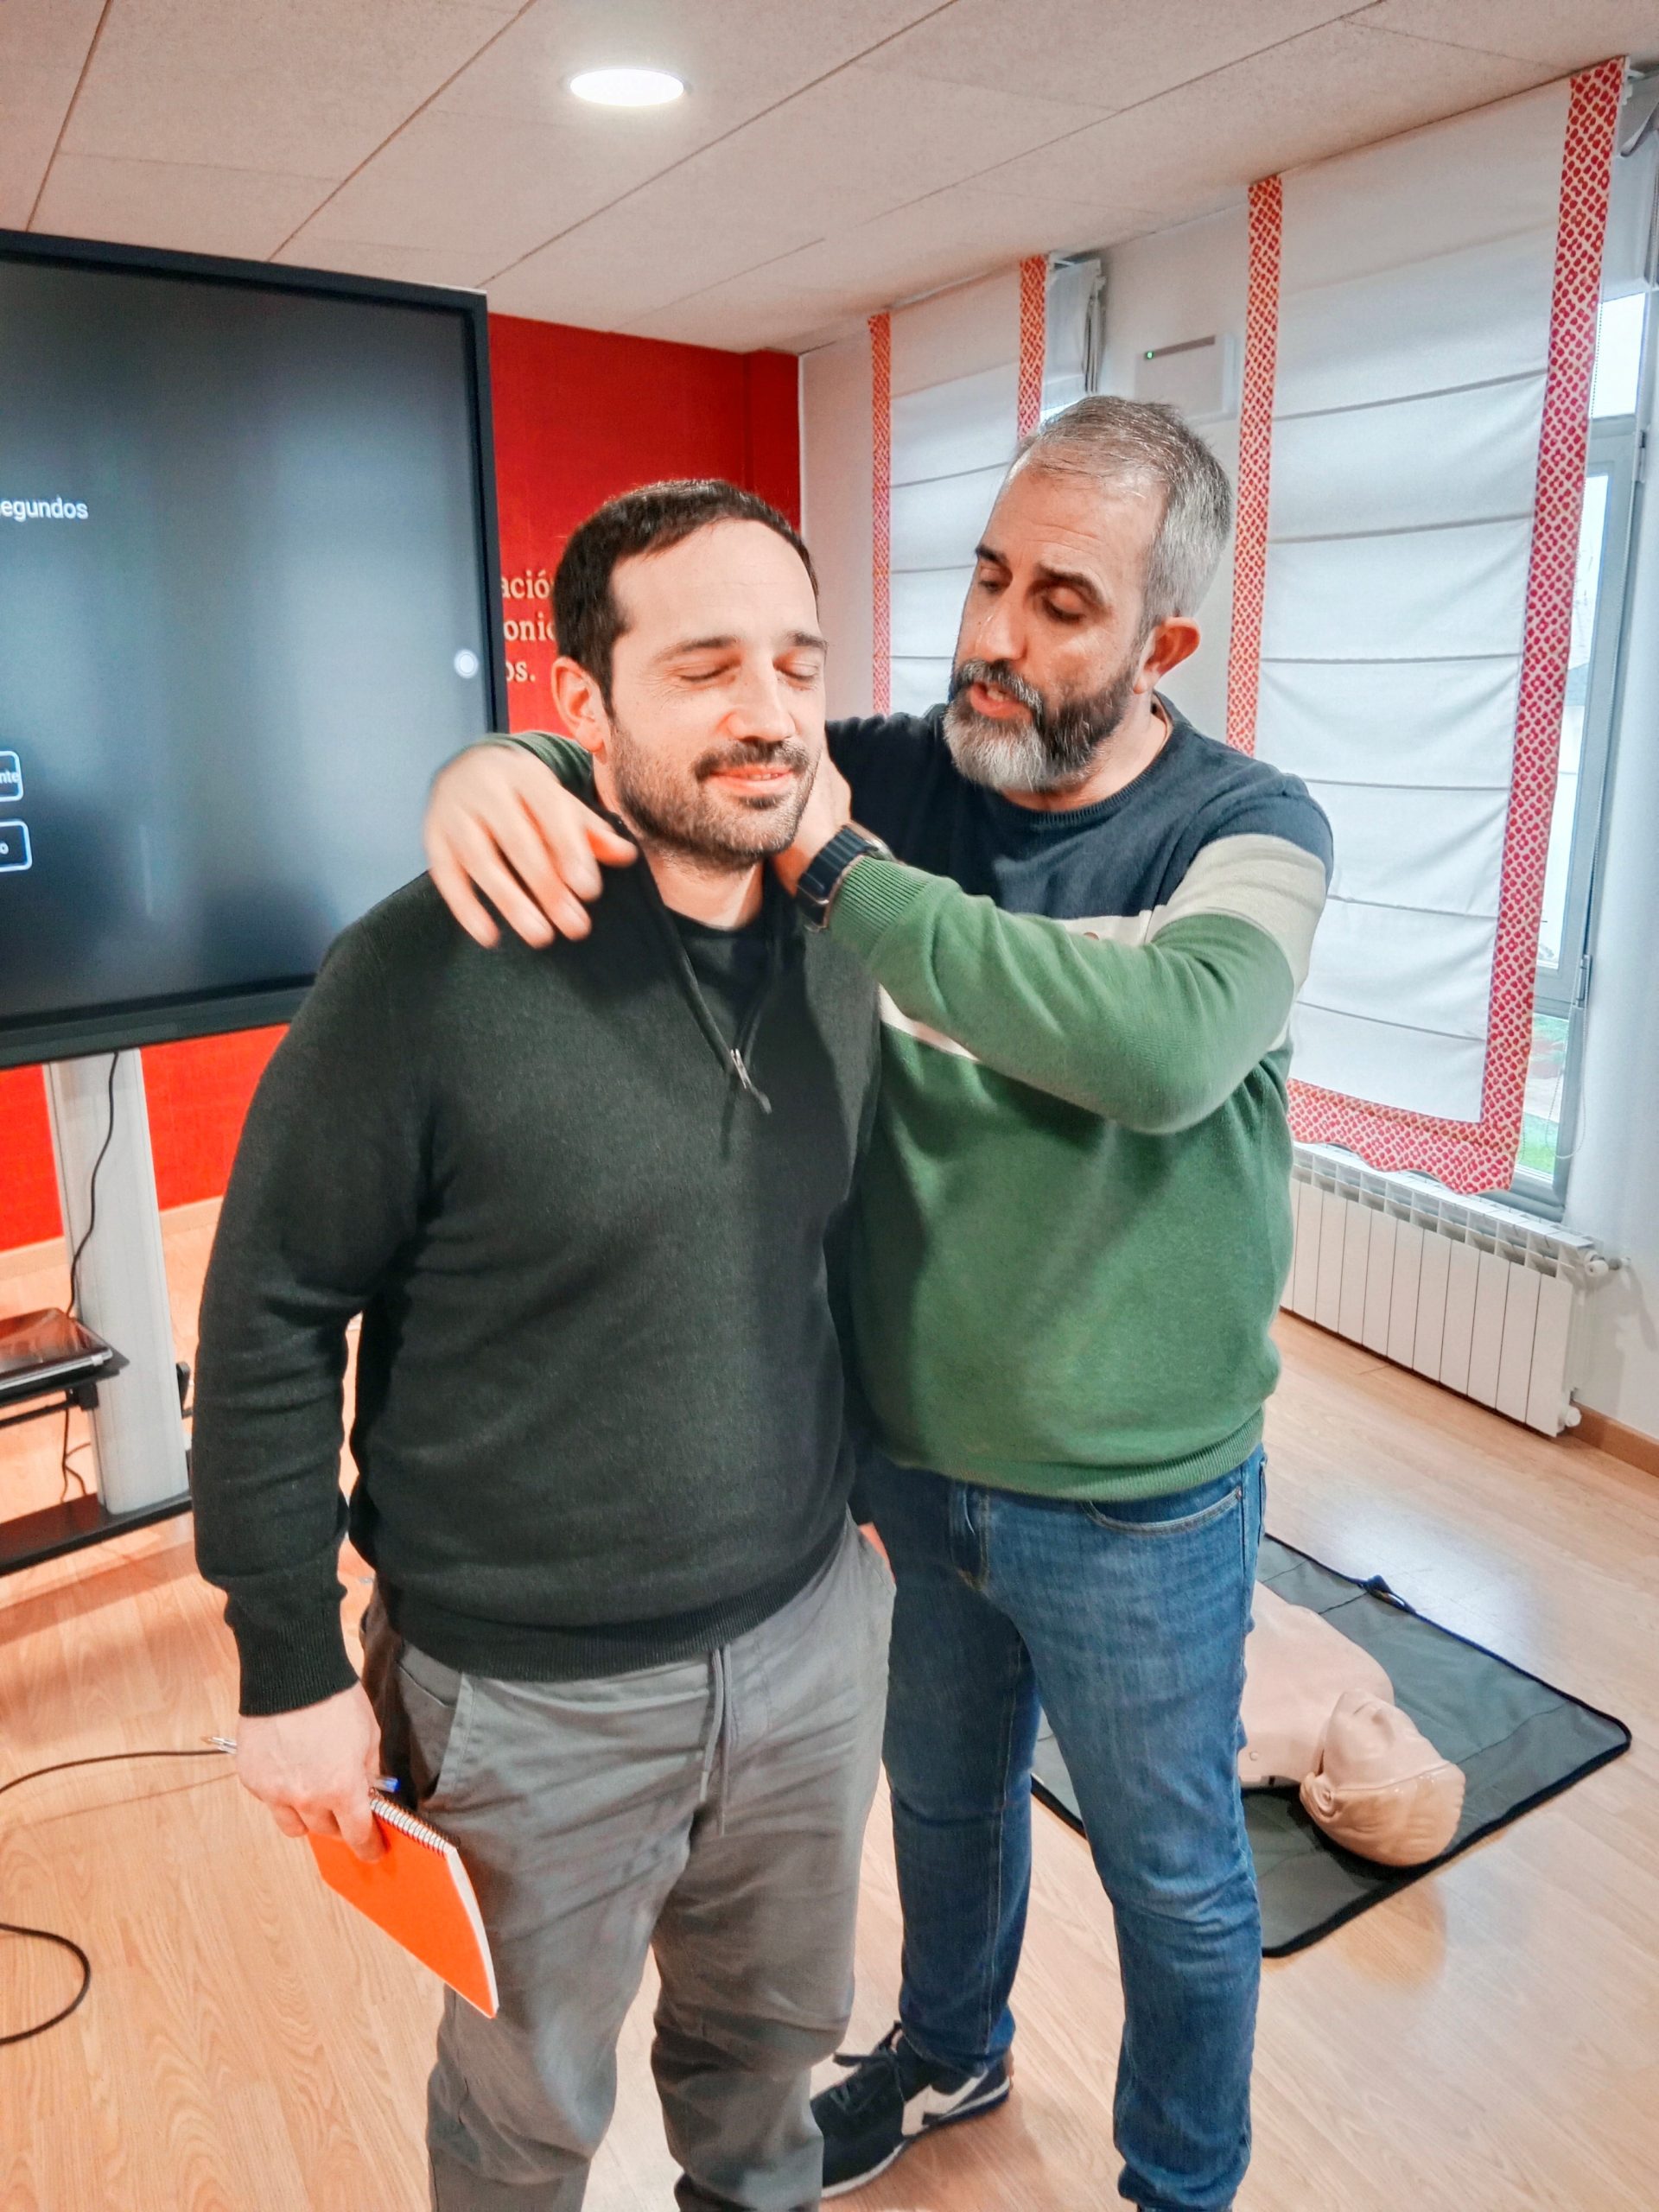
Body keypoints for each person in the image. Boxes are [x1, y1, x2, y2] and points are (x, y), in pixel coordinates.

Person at [422, 397, 1333, 2212]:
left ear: (1160, 644)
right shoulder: (902, 768)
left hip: (1139, 1493)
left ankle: (1181, 2183)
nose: (996, 632)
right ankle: (948, 2048)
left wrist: (843, 874)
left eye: (1062, 603)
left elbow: (1166, 1050)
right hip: (908, 1457)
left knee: (1172, 1876)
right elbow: (677, 753)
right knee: (940, 1803)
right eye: (988, 577)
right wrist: (499, 764)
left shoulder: (1247, 826)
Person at [191, 480, 893, 2212]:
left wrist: (866, 1515)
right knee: (526, 2119)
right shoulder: (425, 966)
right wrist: (286, 1663)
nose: (768, 710)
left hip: (808, 1640)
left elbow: (840, 1256)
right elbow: (271, 1310)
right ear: (585, 703)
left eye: (799, 662)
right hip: (530, 1697)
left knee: (772, 2058)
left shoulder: (844, 937)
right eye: (706, 666)